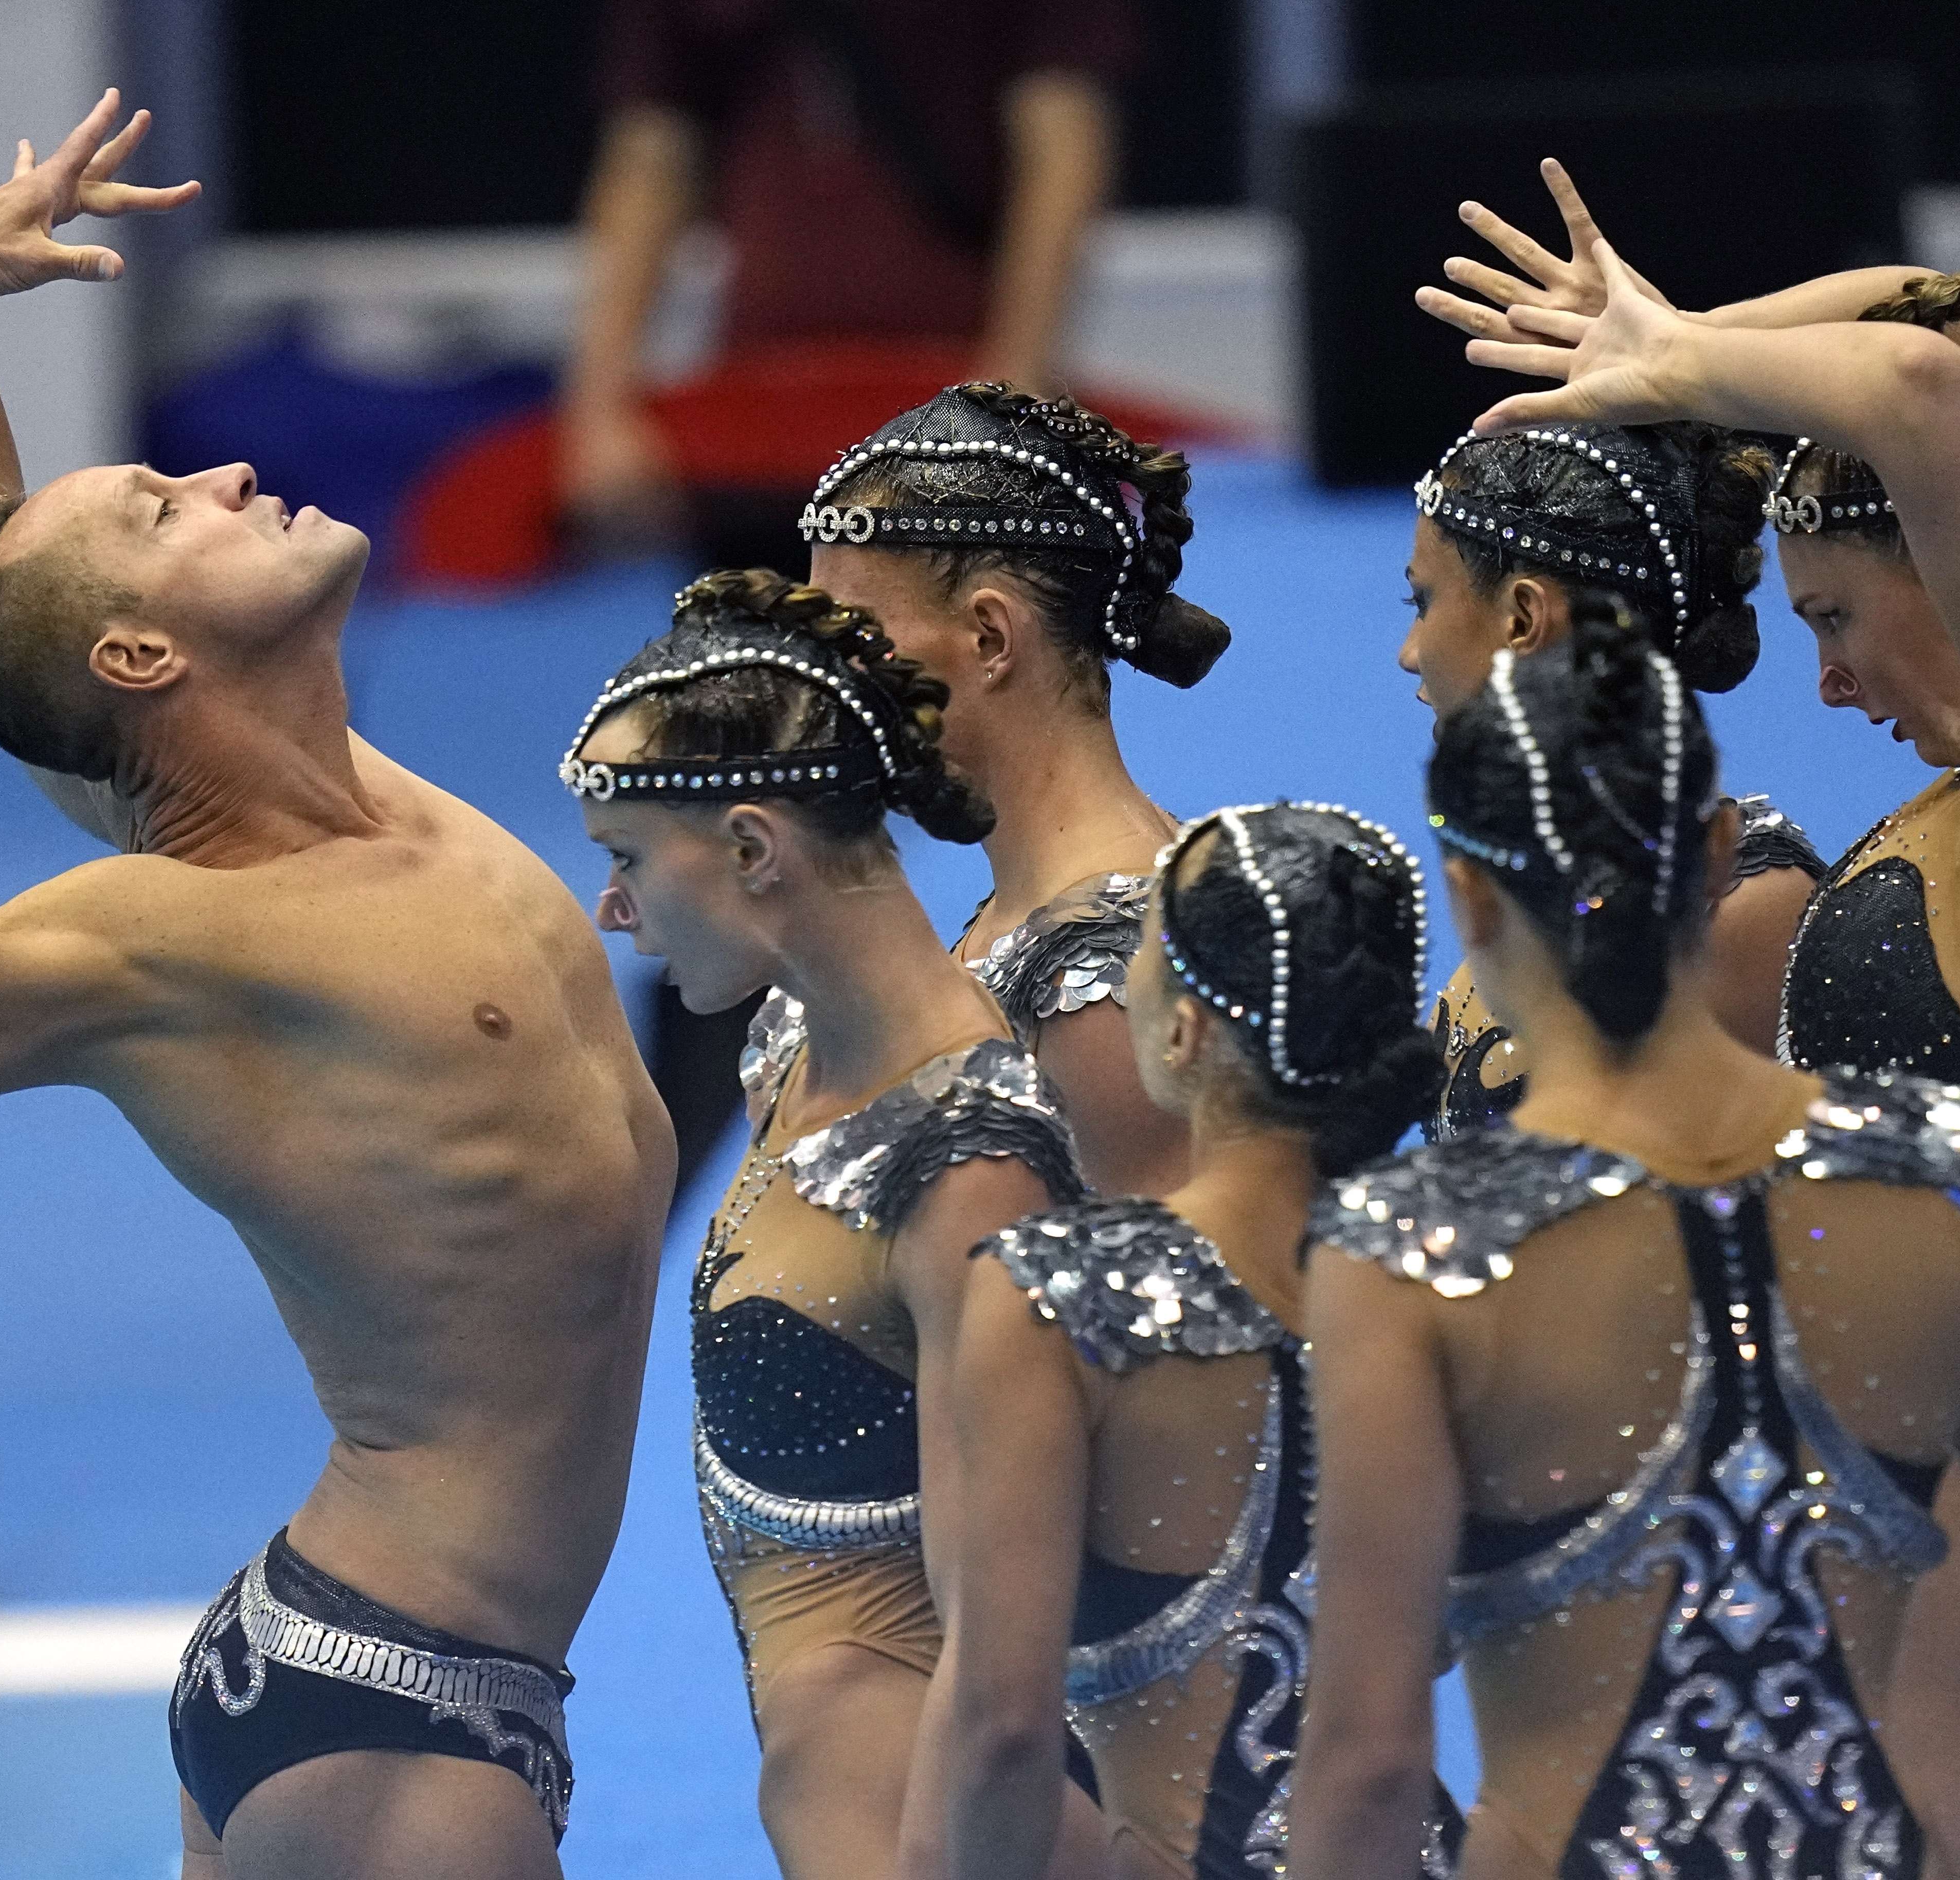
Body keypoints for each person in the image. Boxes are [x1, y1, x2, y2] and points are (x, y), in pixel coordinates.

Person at [0, 92, 673, 1880]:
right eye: (168, 501)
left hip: (419, 1673)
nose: (220, 470)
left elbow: (3, 619)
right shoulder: (171, 932)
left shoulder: (350, 791)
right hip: (395, 1708)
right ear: (148, 651)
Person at [1436, 201, 1960, 1869]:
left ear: (1958, 556)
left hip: (1923, 1538)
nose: (1820, 680)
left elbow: (1929, 395)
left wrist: (1688, 368)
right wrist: (1676, 326)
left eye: (1830, 617)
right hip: (1795, 1485)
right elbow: (1949, 327)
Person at [1289, 620, 1960, 1880]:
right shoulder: (1941, 1176)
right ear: (1720, 851)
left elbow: (1367, 1752)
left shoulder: (1408, 1251)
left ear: (1468, 893)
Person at [565, 567, 1103, 1878]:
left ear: (753, 849)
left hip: (933, 1825)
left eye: (628, 859)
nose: (612, 909)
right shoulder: (790, 1039)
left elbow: (1009, 1687)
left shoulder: (967, 1173)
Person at [931, 801, 1466, 1880]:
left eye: (1142, 953)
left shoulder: (1062, 1292)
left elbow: (1001, 1726)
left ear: (1182, 1028)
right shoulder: (1454, 1283)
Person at [800, 381, 1231, 1197]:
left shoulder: (1105, 985)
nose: (827, 680)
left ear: (990, 635)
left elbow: (1177, 1313)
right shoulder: (1042, 909)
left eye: (854, 634)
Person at [564, 0, 1133, 546]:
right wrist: (599, 409)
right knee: (768, 629)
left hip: (958, 398)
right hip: (754, 421)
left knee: (952, 629)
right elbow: (647, 165)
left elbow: (1062, 151)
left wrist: (1015, 383)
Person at [1393, 409, 1818, 1136]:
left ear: (1525, 618)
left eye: (1422, 602)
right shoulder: (1530, 856)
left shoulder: (1735, 906)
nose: (1409, 651)